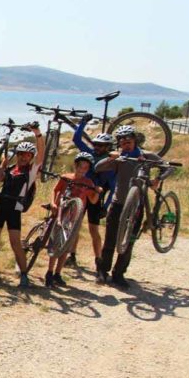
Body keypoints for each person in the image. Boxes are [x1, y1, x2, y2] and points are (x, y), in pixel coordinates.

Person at [94, 125, 169, 289]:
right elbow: (97, 168)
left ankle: (119, 274)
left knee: (129, 242)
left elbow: (166, 167)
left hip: (137, 207)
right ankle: (102, 271)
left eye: (128, 141)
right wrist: (110, 158)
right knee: (110, 241)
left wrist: (158, 179)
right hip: (117, 204)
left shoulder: (146, 156)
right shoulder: (120, 158)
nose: (125, 144)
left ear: (134, 140)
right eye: (122, 142)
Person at [0, 124, 46, 288]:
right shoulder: (12, 168)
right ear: (17, 155)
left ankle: (24, 275)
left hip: (14, 209)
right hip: (0, 205)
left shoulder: (31, 172)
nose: (23, 157)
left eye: (27, 155)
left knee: (15, 243)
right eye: (21, 154)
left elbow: (41, 154)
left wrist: (37, 134)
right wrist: (2, 166)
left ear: (31, 156)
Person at [66, 114, 116, 268]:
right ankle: (72, 256)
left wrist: (105, 207)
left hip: (95, 197)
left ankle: (98, 260)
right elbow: (76, 140)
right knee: (75, 226)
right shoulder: (90, 155)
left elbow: (113, 187)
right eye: (96, 144)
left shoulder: (112, 163)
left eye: (101, 145)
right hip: (81, 194)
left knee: (93, 230)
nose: (97, 147)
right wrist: (82, 123)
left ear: (108, 147)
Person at [44, 152, 99, 287]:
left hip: (74, 218)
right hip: (61, 214)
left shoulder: (88, 183)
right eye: (80, 166)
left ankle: (58, 273)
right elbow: (56, 190)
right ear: (75, 165)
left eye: (85, 168)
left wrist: (97, 191)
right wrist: (53, 203)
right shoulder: (66, 178)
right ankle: (49, 272)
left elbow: (93, 200)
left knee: (66, 246)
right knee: (56, 243)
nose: (82, 170)